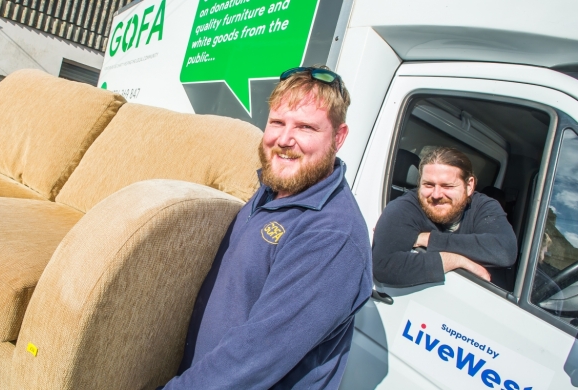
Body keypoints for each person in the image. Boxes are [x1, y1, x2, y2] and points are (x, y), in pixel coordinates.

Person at [162, 66, 373, 389]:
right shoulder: (276, 187)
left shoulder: (332, 235)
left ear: (339, 137)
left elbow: (254, 359)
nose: (284, 140)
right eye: (277, 122)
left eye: (305, 127)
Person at [372, 147, 518, 287]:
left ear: (469, 186)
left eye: (447, 186)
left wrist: (428, 239)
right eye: (428, 185)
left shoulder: (482, 206)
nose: (436, 195)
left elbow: (504, 250)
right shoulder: (405, 207)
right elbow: (384, 266)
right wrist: (456, 260)